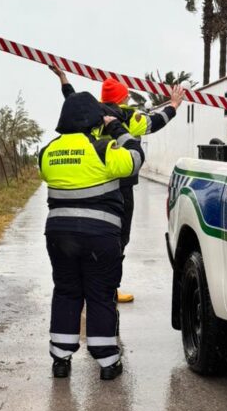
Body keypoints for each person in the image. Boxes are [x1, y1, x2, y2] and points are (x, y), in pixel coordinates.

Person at [49, 64, 186, 303]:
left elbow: (71, 97)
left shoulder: (91, 112)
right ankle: (110, 288)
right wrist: (174, 105)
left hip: (92, 182)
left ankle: (84, 286)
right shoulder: (128, 116)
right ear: (123, 96)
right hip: (121, 186)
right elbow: (156, 121)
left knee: (86, 235)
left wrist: (63, 78)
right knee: (117, 238)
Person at [38, 91, 145, 380]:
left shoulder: (47, 151)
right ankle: (108, 361)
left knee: (66, 291)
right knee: (99, 294)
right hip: (99, 236)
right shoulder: (103, 147)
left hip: (58, 235)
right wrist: (116, 128)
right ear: (94, 121)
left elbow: (48, 176)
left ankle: (60, 359)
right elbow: (135, 159)